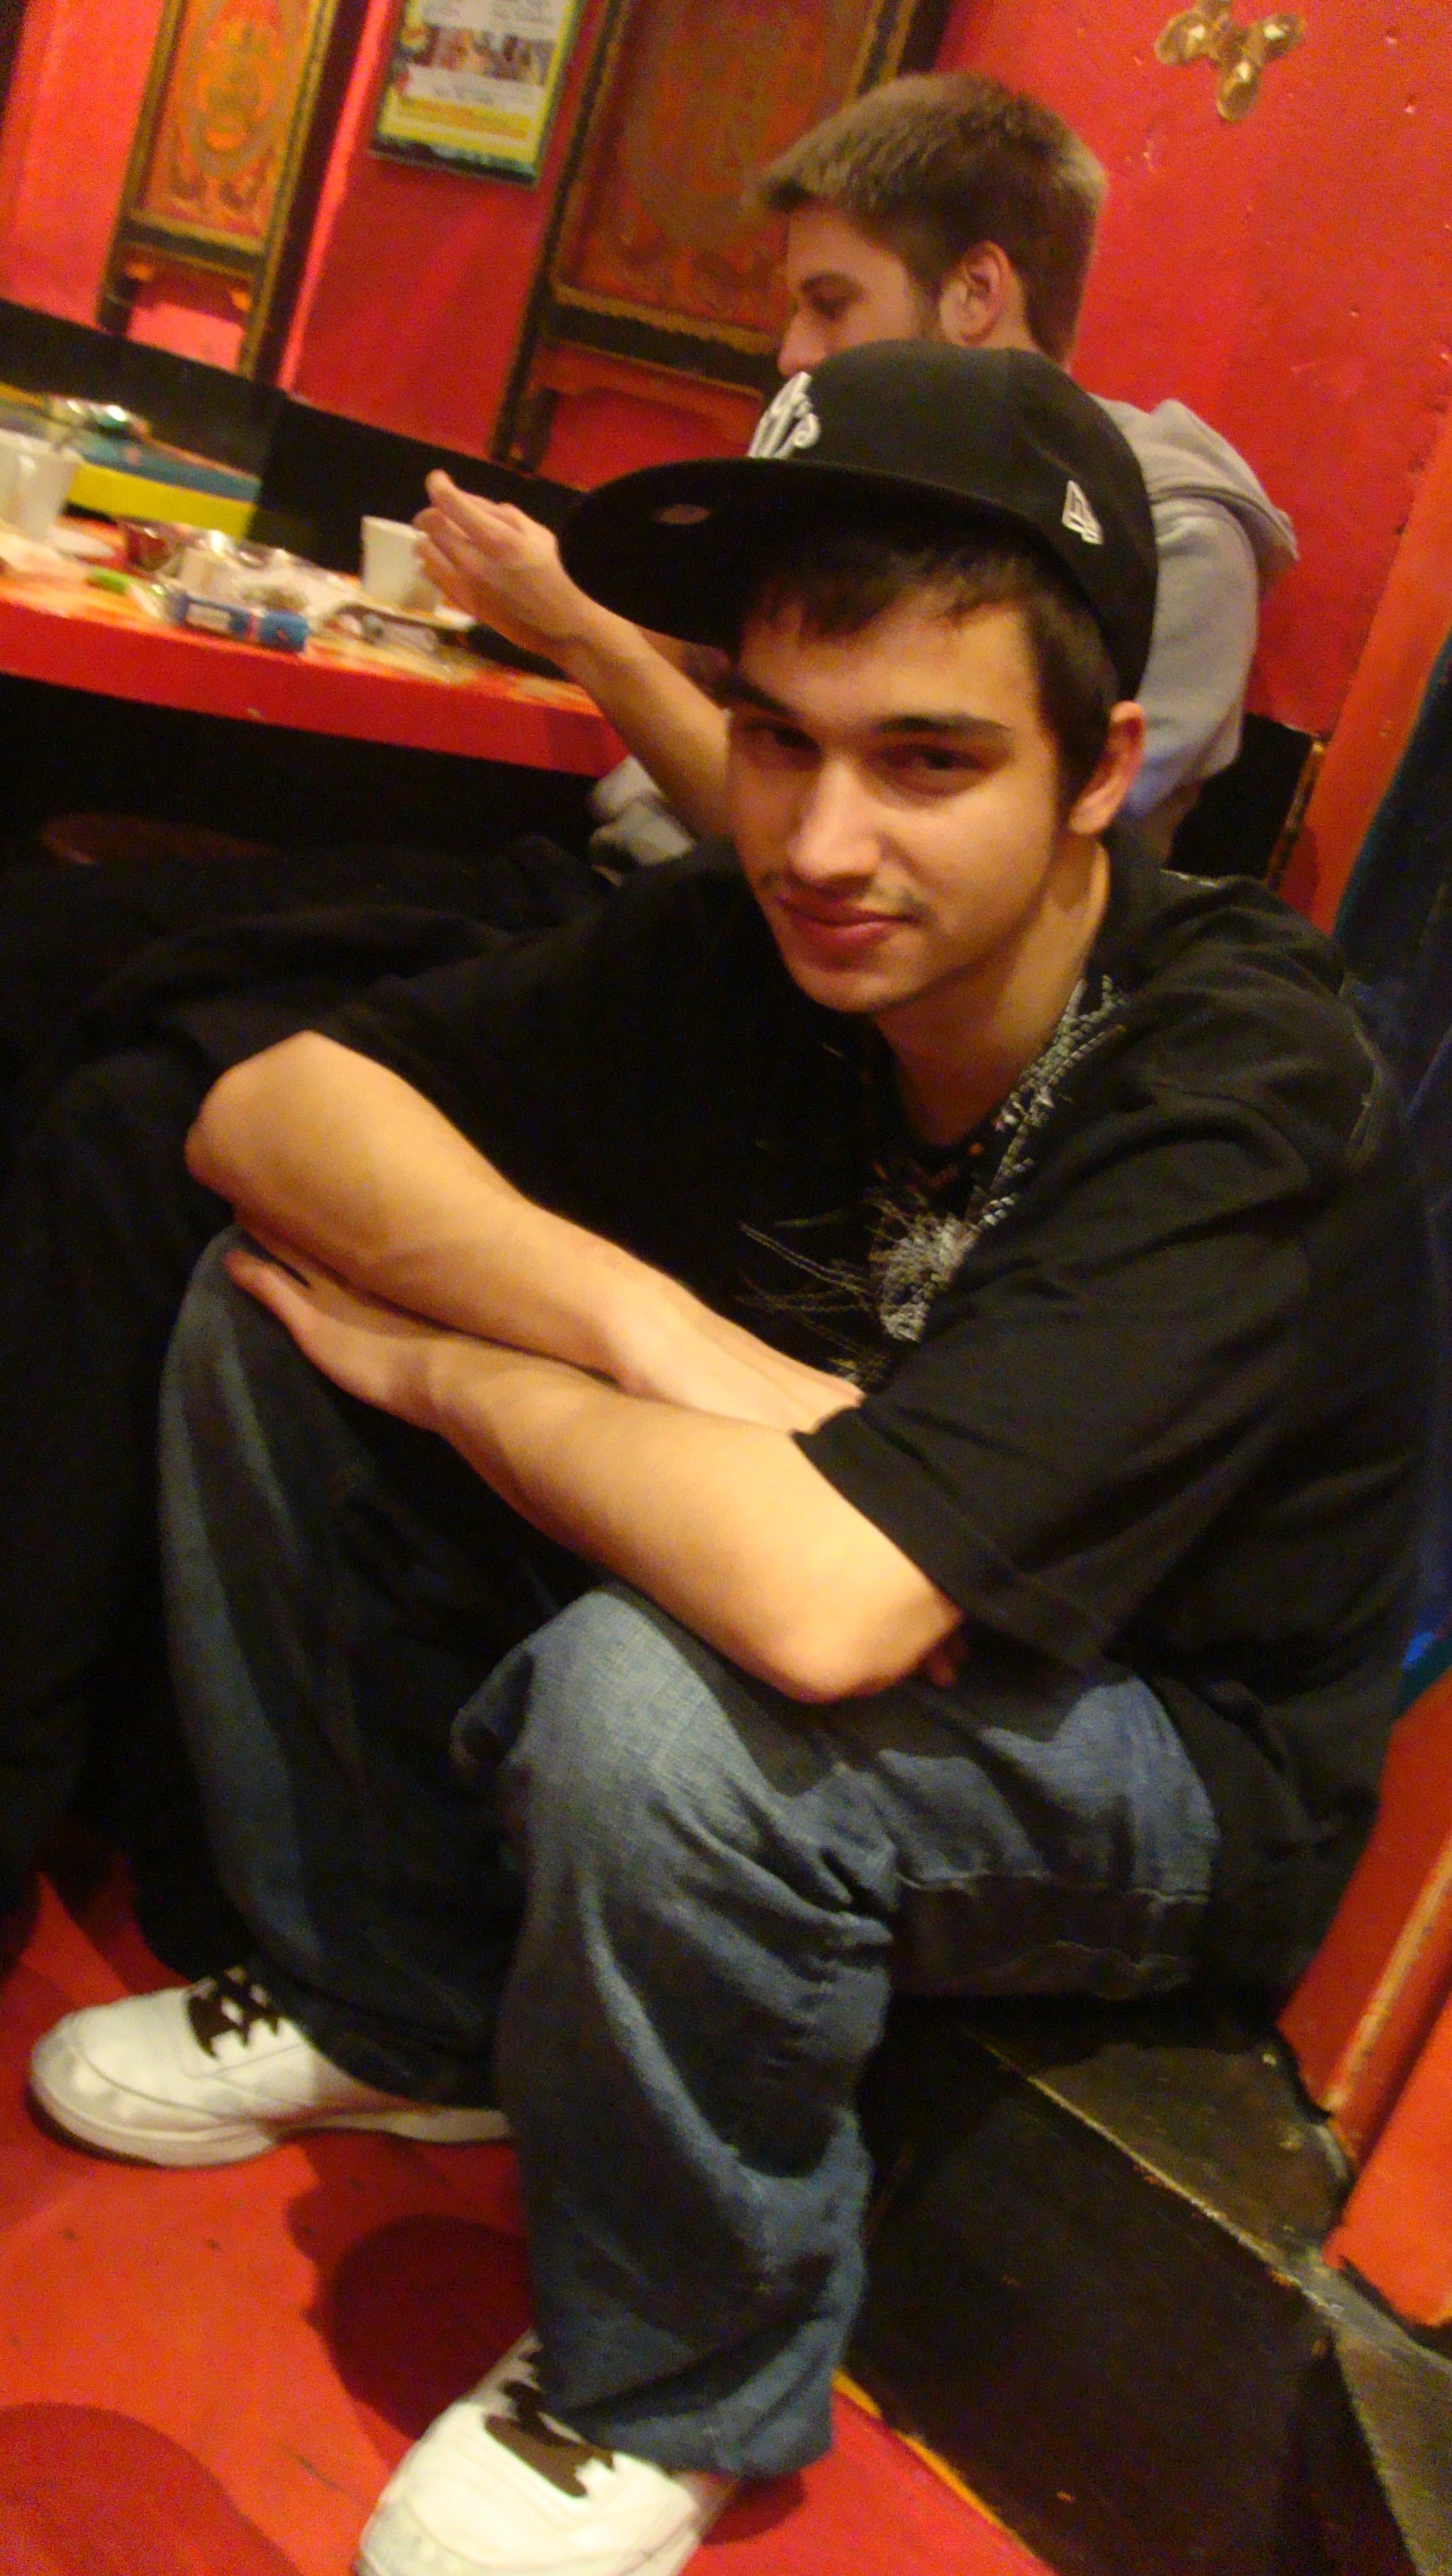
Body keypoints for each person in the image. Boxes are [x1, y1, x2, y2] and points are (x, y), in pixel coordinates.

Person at [32, 345, 1427, 2576]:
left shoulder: (1238, 1071)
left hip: (1163, 1730)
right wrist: (644, 1332)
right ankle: (400, 2007)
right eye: (773, 737)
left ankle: (674, 2372)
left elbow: (824, 1603)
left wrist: (465, 1375)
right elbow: (270, 1107)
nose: (816, 841)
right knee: (268, 1312)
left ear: (1102, 773)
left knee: (659, 1702)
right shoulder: (756, 941)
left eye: (927, 759)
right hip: (840, 1544)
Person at [419, 71, 1295, 865]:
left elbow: (920, 863)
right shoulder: (843, 459)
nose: (794, 354)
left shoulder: (1169, 534)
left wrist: (582, 632)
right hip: (643, 888)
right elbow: (718, 663)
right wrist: (535, 594)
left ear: (975, 294)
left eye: (831, 305)